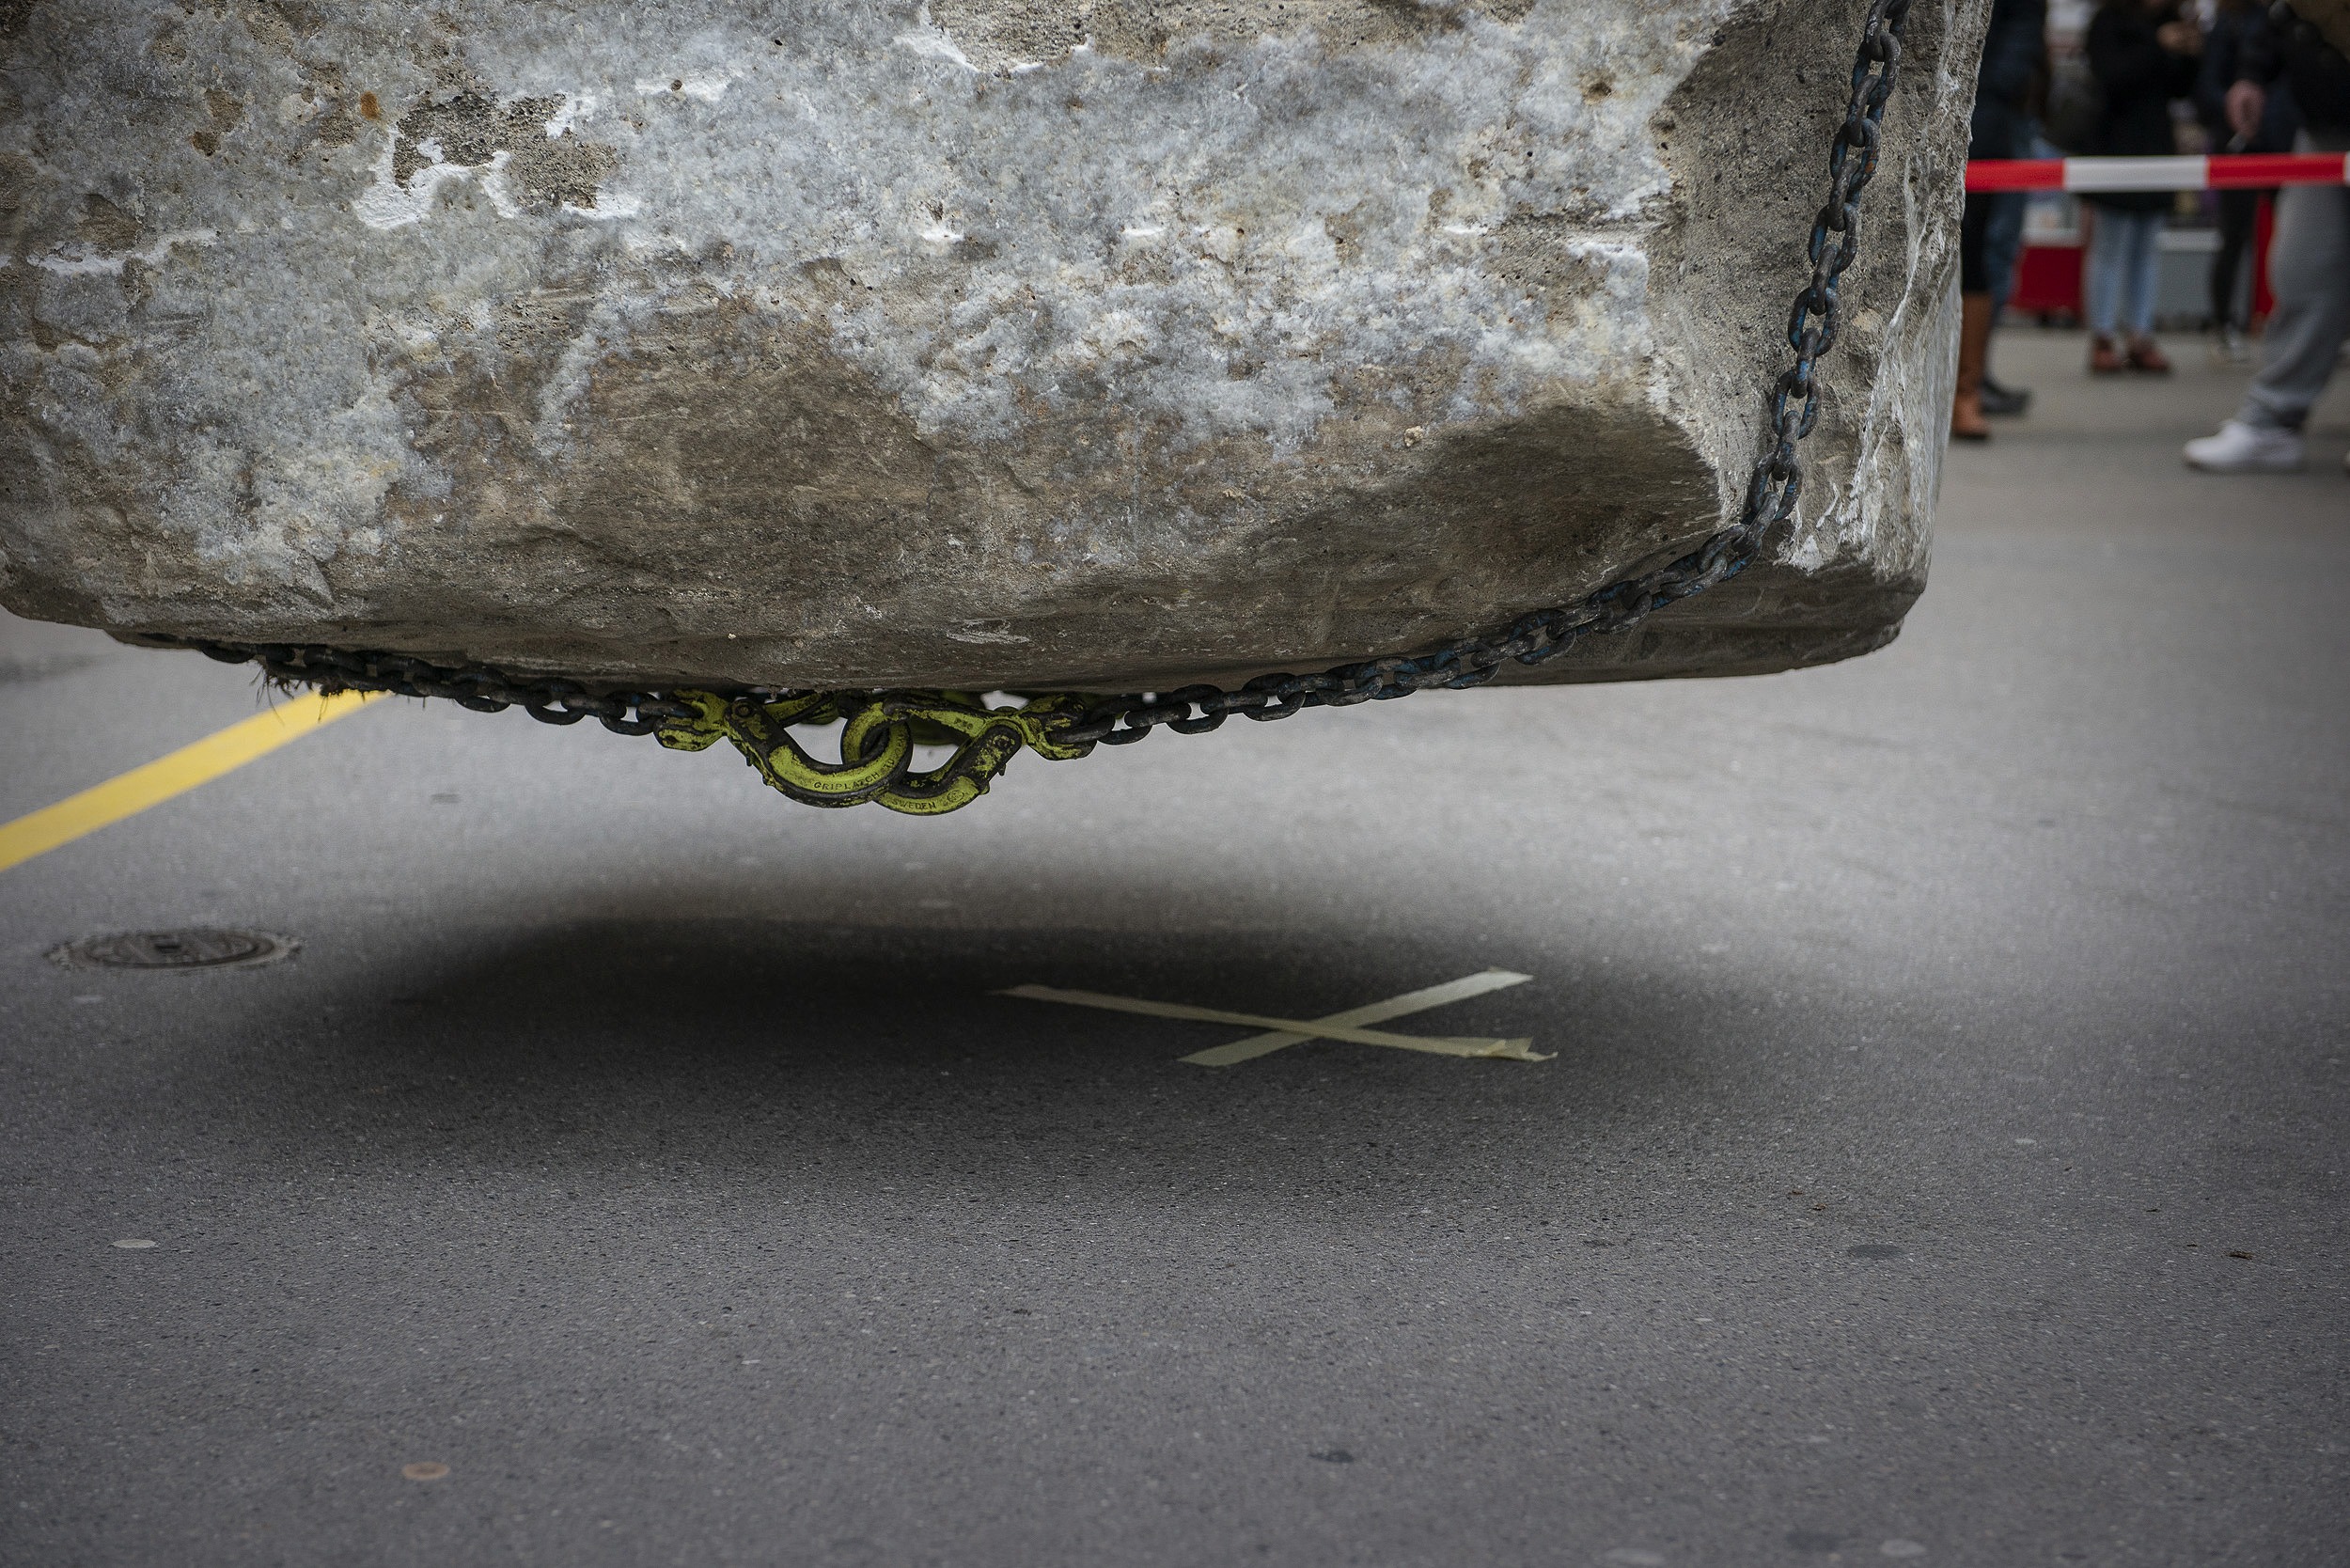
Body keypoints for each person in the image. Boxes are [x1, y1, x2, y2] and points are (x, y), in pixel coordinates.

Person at [2185, 2, 2350, 472]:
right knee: (2302, 269)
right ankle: (2273, 420)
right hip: (2323, 122)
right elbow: (2281, 11)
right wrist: (2253, 72)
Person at [2082, 0, 2202, 373]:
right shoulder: (2108, 21)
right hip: (2115, 147)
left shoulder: (2169, 21)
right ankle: (2102, 335)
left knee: (2147, 248)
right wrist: (2157, 44)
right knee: (2110, 246)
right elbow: (2112, 78)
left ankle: (2140, 334)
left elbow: (2181, 89)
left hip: (2157, 146)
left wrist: (2191, 53)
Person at [1953, 0, 2049, 439]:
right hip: (1949, 112)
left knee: (1975, 257)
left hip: (1981, 126)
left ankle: (1966, 389)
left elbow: (2014, 59)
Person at [2195, 0, 2300, 361]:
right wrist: (2232, 107)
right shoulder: (2228, 26)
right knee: (2234, 236)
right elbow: (2207, 87)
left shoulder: (2284, 18)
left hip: (2282, 144)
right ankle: (2223, 324)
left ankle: (2292, 324)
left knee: (2295, 238)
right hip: (2237, 144)